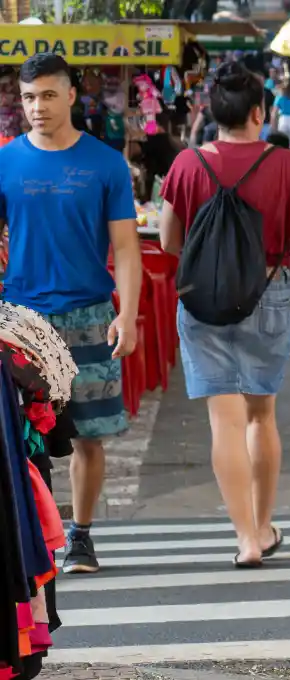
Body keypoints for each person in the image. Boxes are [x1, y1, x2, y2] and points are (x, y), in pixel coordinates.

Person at [157, 62, 290, 567]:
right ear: (258, 112)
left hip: (203, 299)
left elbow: (168, 241)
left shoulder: (186, 165)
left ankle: (245, 538)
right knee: (260, 415)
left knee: (222, 423)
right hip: (270, 293)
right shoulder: (289, 166)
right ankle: (265, 525)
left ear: (213, 112)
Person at [0, 53, 142, 574]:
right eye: (29, 97)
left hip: (89, 314)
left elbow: (127, 248)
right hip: (21, 321)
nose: (38, 107)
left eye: (48, 95)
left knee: (88, 434)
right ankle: (33, 536)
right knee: (20, 434)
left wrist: (127, 315)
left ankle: (80, 535)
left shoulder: (105, 163)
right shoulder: (5, 161)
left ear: (71, 97)